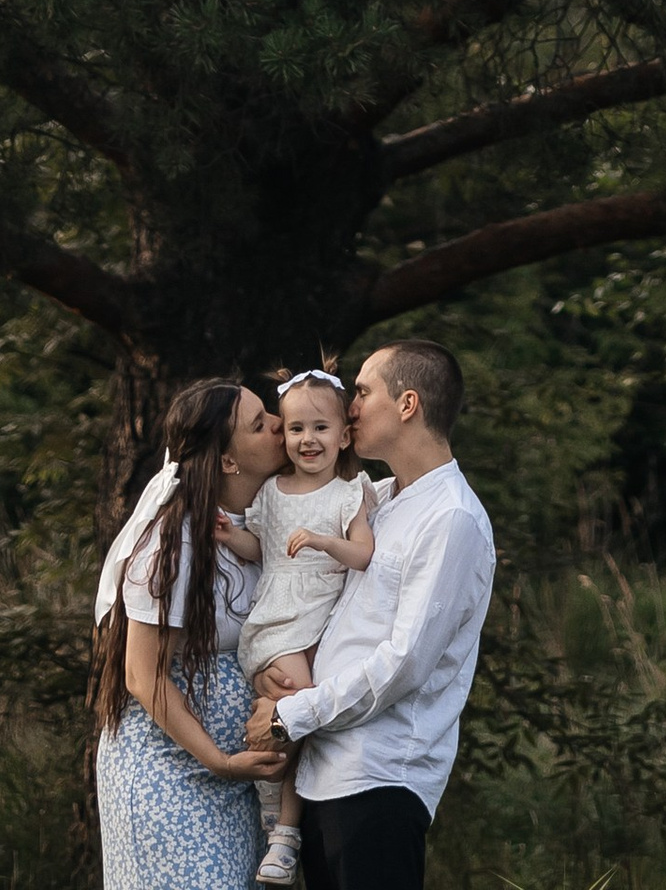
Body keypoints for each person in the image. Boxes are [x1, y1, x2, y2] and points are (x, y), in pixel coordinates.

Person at [243, 342, 494, 890]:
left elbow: (405, 661)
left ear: (407, 404)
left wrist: (292, 715)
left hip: (380, 781)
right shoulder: (374, 499)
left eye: (361, 391)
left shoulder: (451, 519)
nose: (349, 406)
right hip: (321, 777)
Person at [93, 377, 290, 890]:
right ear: (228, 461)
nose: (278, 425)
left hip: (234, 783)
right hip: (170, 771)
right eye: (259, 423)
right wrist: (220, 760)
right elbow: (142, 675)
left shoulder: (256, 527)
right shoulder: (175, 538)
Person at [230, 367, 380, 885]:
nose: (307, 440)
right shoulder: (271, 490)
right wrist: (228, 537)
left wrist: (322, 541)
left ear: (343, 435)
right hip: (282, 622)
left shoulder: (349, 491)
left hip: (327, 623)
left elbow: (362, 554)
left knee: (304, 714)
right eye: (295, 429)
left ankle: (278, 816)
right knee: (299, 704)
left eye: (320, 428)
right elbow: (263, 550)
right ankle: (284, 833)